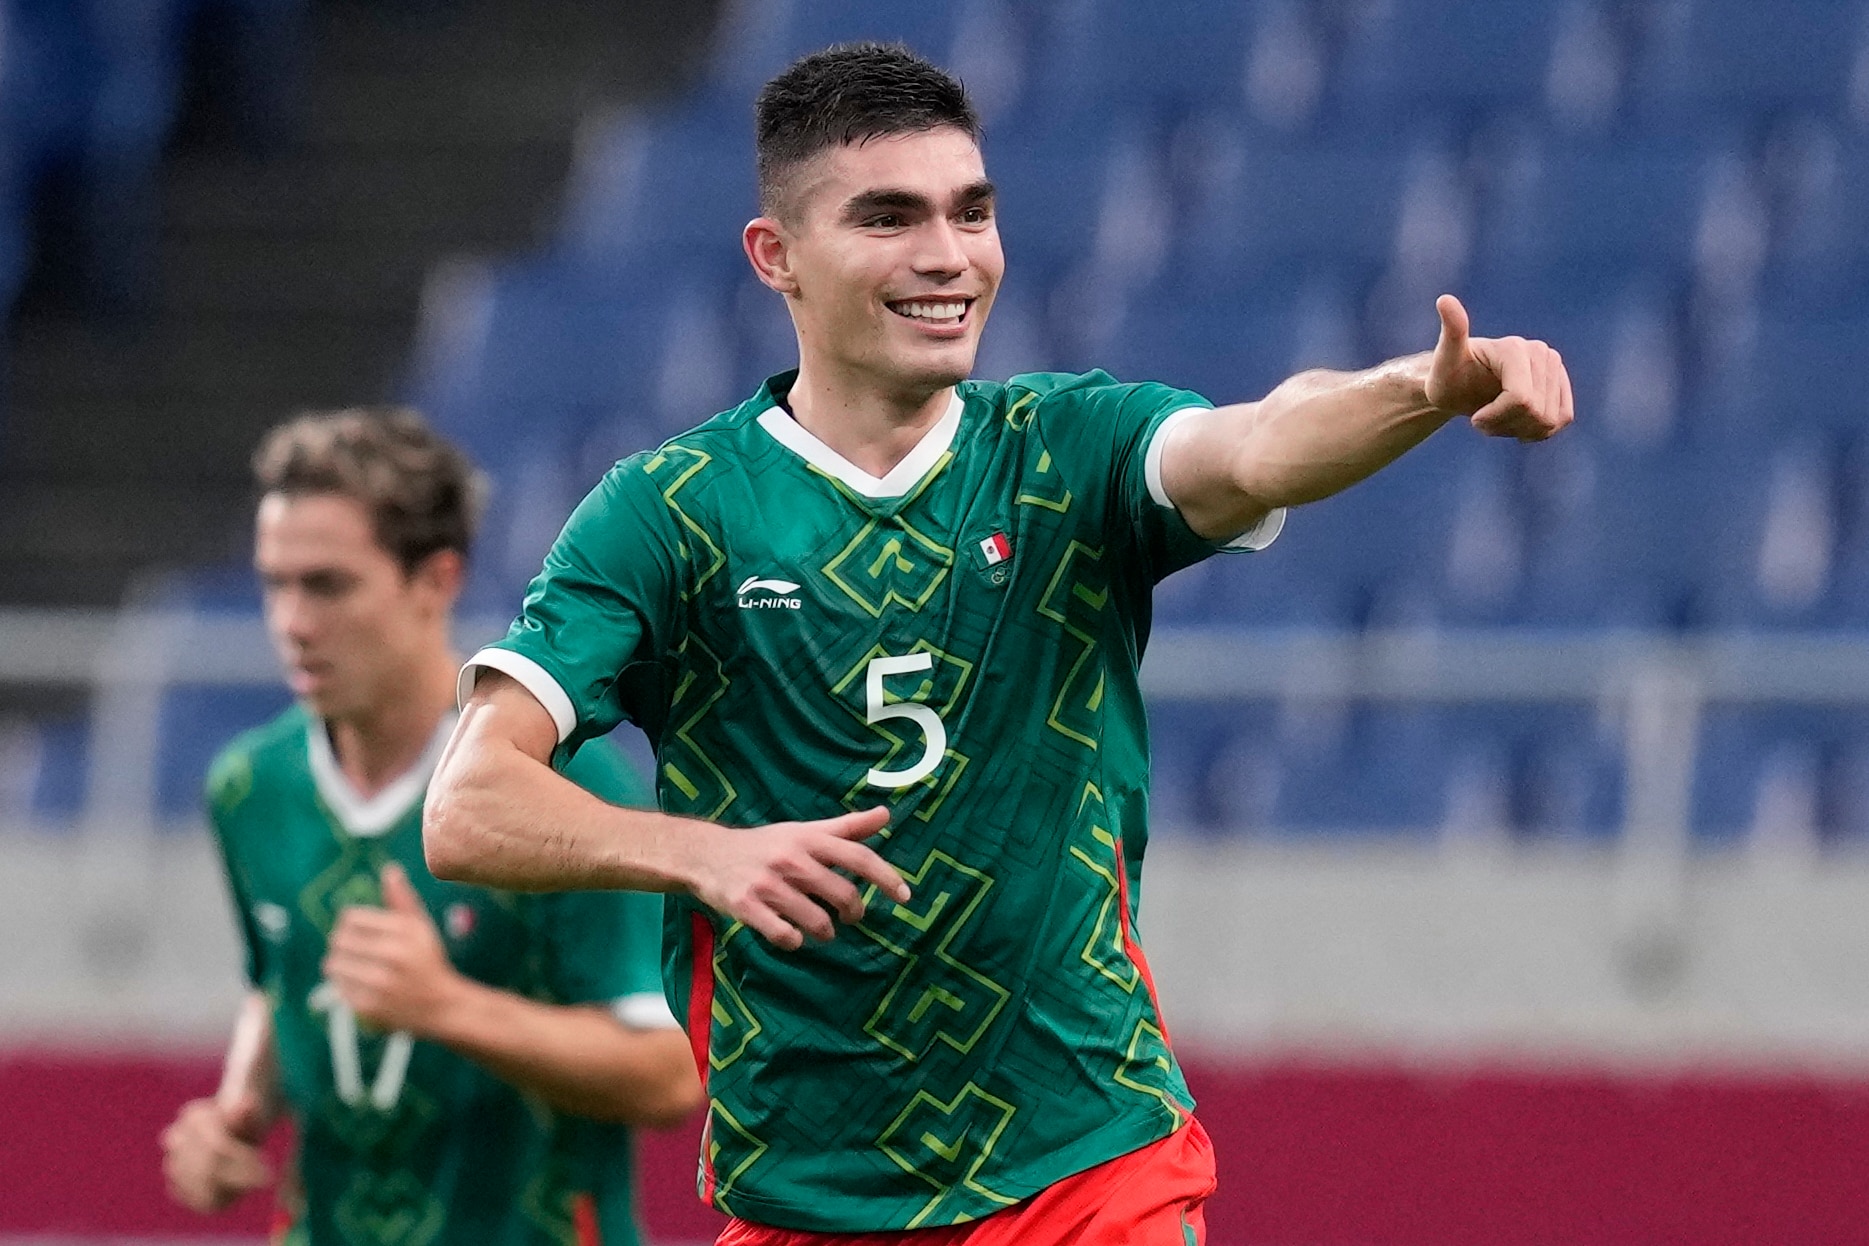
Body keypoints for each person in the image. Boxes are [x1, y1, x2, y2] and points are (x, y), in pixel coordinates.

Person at [424, 43, 1573, 1246]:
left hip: (1086, 1161)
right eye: (889, 217)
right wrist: (700, 855)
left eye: (973, 212)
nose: (948, 256)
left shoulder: (1063, 452)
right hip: (809, 1191)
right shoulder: (669, 513)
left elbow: (1260, 442)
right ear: (778, 259)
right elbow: (467, 806)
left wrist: (1425, 389)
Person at [160, 408, 701, 1246]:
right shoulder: (248, 786)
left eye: (328, 584)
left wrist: (444, 1004)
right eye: (276, 583)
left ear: (434, 581)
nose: (292, 622)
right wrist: (237, 1111)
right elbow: (281, 978)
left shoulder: (562, 782)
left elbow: (668, 1075)